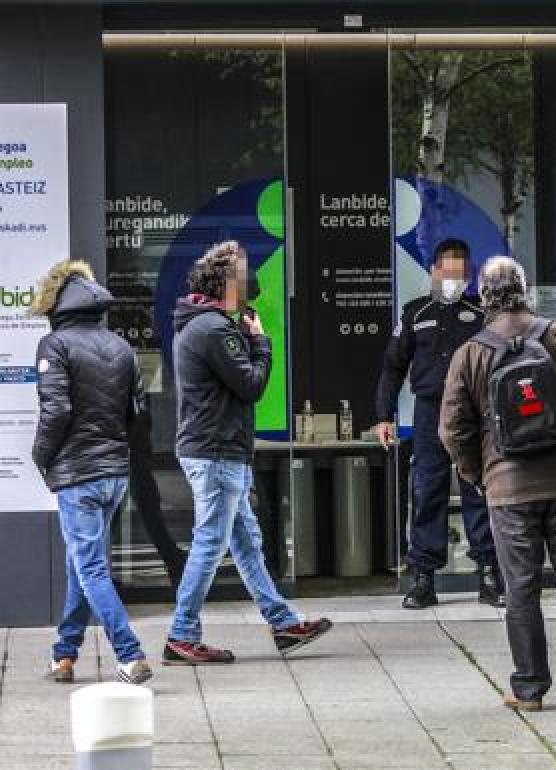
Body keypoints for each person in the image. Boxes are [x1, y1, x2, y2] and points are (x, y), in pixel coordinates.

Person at [440, 256, 556, 712]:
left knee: (520, 588)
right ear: (525, 289)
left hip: (508, 486)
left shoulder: (471, 353)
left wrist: (476, 473)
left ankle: (529, 689)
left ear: (483, 296)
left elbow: (452, 428)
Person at [164, 241, 331, 665]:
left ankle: (283, 622)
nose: (249, 282)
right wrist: (260, 343)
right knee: (210, 542)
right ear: (225, 283)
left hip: (217, 448)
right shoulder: (213, 329)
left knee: (246, 542)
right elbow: (252, 385)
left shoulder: (204, 325)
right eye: (242, 275)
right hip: (217, 450)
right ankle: (182, 635)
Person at [31, 260, 153, 685]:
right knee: (80, 564)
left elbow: (57, 410)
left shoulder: (55, 345)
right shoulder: (121, 347)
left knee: (91, 568)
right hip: (114, 472)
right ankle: (64, 655)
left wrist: (41, 457)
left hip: (78, 472)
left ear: (56, 305)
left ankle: (129, 653)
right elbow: (139, 413)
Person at [374, 238, 503, 610]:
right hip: (429, 412)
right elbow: (393, 366)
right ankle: (423, 578)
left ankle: (488, 574)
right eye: (446, 270)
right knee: (427, 491)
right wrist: (384, 415)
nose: (452, 277)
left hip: (474, 411)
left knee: (478, 490)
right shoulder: (416, 312)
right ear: (433, 271)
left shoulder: (483, 313)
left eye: (460, 271)